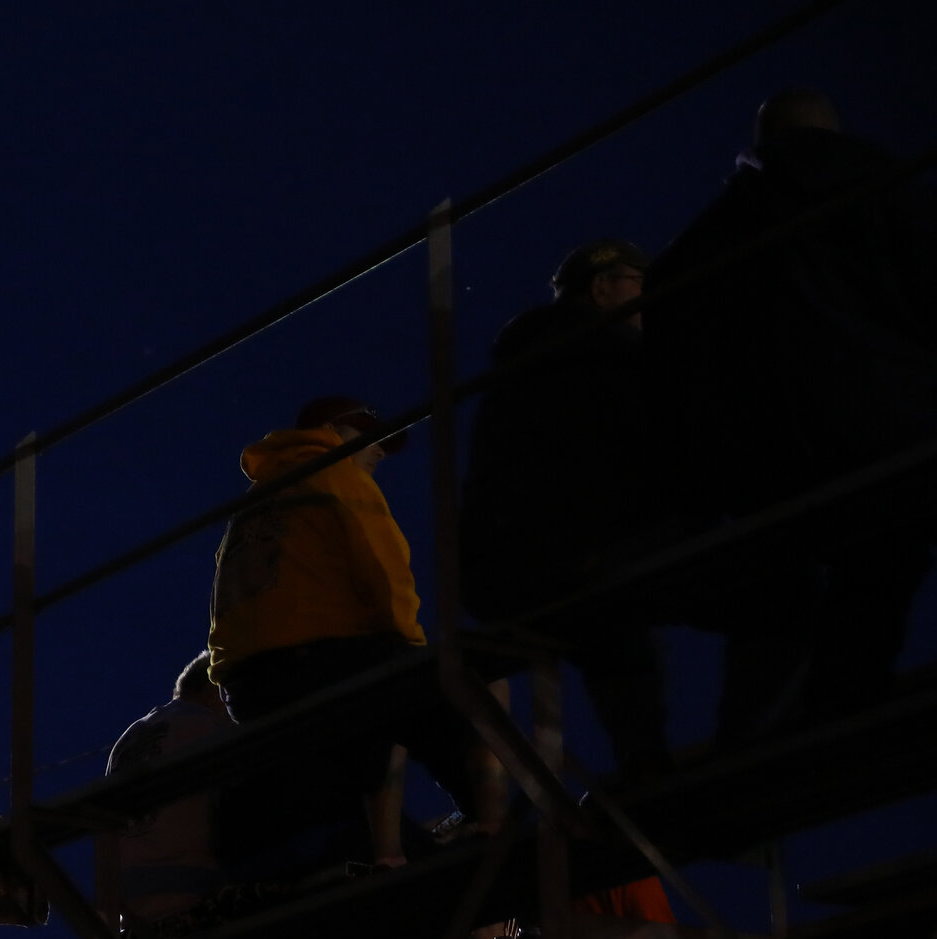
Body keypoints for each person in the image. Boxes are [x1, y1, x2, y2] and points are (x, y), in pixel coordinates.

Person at [646, 87, 937, 740]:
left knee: (837, 565)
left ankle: (808, 720)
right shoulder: (888, 189)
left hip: (767, 458)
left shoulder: (709, 235)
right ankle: (838, 703)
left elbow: (670, 348)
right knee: (884, 550)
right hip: (890, 417)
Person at [207, 396, 500, 868]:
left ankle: (384, 853)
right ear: (331, 431)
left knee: (370, 718)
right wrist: (417, 657)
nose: (381, 451)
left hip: (248, 688)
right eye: (370, 436)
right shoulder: (337, 474)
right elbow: (386, 575)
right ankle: (493, 818)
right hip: (317, 660)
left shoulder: (257, 500)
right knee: (445, 688)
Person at [462, 238, 675, 781]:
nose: (650, 301)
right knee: (777, 591)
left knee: (616, 636)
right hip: (580, 554)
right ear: (603, 288)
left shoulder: (520, 368)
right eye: (639, 285)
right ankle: (761, 747)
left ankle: (645, 774)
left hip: (510, 571)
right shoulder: (610, 352)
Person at [102, 651, 237, 921]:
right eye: (229, 694)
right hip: (196, 894)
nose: (232, 708)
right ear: (215, 689)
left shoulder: (128, 739)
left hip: (128, 909)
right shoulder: (207, 726)